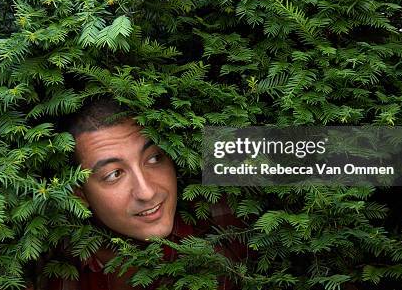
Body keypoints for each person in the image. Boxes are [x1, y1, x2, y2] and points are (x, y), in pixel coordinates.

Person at [28, 98, 246, 290]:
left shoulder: (219, 209)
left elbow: (277, 151)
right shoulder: (47, 267)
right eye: (114, 174)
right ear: (80, 195)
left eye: (153, 158)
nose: (147, 192)